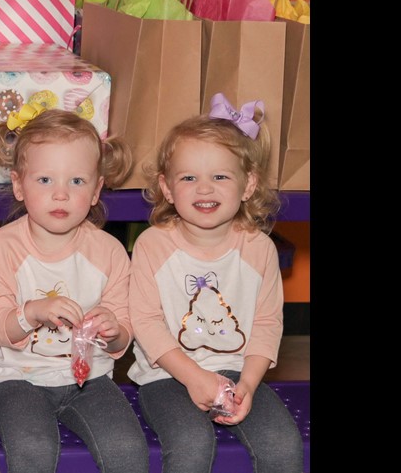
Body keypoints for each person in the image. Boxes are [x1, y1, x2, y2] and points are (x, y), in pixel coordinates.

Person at [128, 93, 303, 473]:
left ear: (248, 184)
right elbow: (145, 322)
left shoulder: (259, 248)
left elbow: (267, 323)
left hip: (240, 373)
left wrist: (249, 385)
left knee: (283, 445)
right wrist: (195, 378)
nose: (204, 189)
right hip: (168, 376)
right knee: (191, 443)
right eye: (189, 178)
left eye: (220, 177)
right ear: (167, 188)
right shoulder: (153, 245)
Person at [0, 108, 148, 473]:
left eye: (76, 181)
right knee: (34, 447)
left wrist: (114, 330)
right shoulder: (3, 247)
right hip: (17, 378)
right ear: (19, 185)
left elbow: (123, 338)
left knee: (127, 448)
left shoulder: (108, 251)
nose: (60, 194)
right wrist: (31, 312)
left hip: (91, 378)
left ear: (96, 190)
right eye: (44, 180)